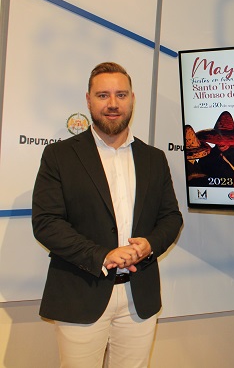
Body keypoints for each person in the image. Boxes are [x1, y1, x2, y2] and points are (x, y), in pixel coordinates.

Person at [32, 62, 183, 367]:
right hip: (80, 293)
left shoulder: (154, 158)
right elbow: (46, 223)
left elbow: (171, 217)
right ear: (88, 100)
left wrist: (149, 245)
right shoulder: (60, 156)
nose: (113, 104)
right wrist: (103, 255)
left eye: (121, 95)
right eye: (103, 95)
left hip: (139, 298)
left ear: (132, 99)